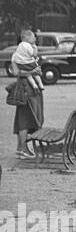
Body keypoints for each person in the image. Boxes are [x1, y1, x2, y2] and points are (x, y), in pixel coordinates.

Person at [9, 29, 44, 158]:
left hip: (31, 89)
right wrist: (33, 72)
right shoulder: (17, 56)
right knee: (26, 118)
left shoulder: (25, 55)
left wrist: (36, 71)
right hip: (26, 89)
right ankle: (23, 148)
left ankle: (20, 148)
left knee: (25, 117)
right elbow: (16, 72)